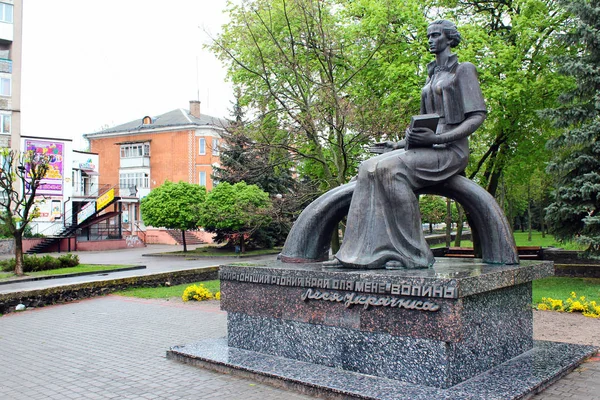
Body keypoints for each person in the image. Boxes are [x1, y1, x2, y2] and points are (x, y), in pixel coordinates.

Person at [326, 20, 487, 269]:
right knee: (367, 167)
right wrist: (398, 145)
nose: (431, 40)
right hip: (426, 147)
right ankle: (360, 254)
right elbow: (424, 125)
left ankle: (414, 254)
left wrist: (438, 139)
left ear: (449, 38)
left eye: (436, 35)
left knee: (390, 171)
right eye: (428, 36)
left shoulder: (463, 69)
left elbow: (477, 117)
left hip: (451, 150)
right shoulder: (432, 73)